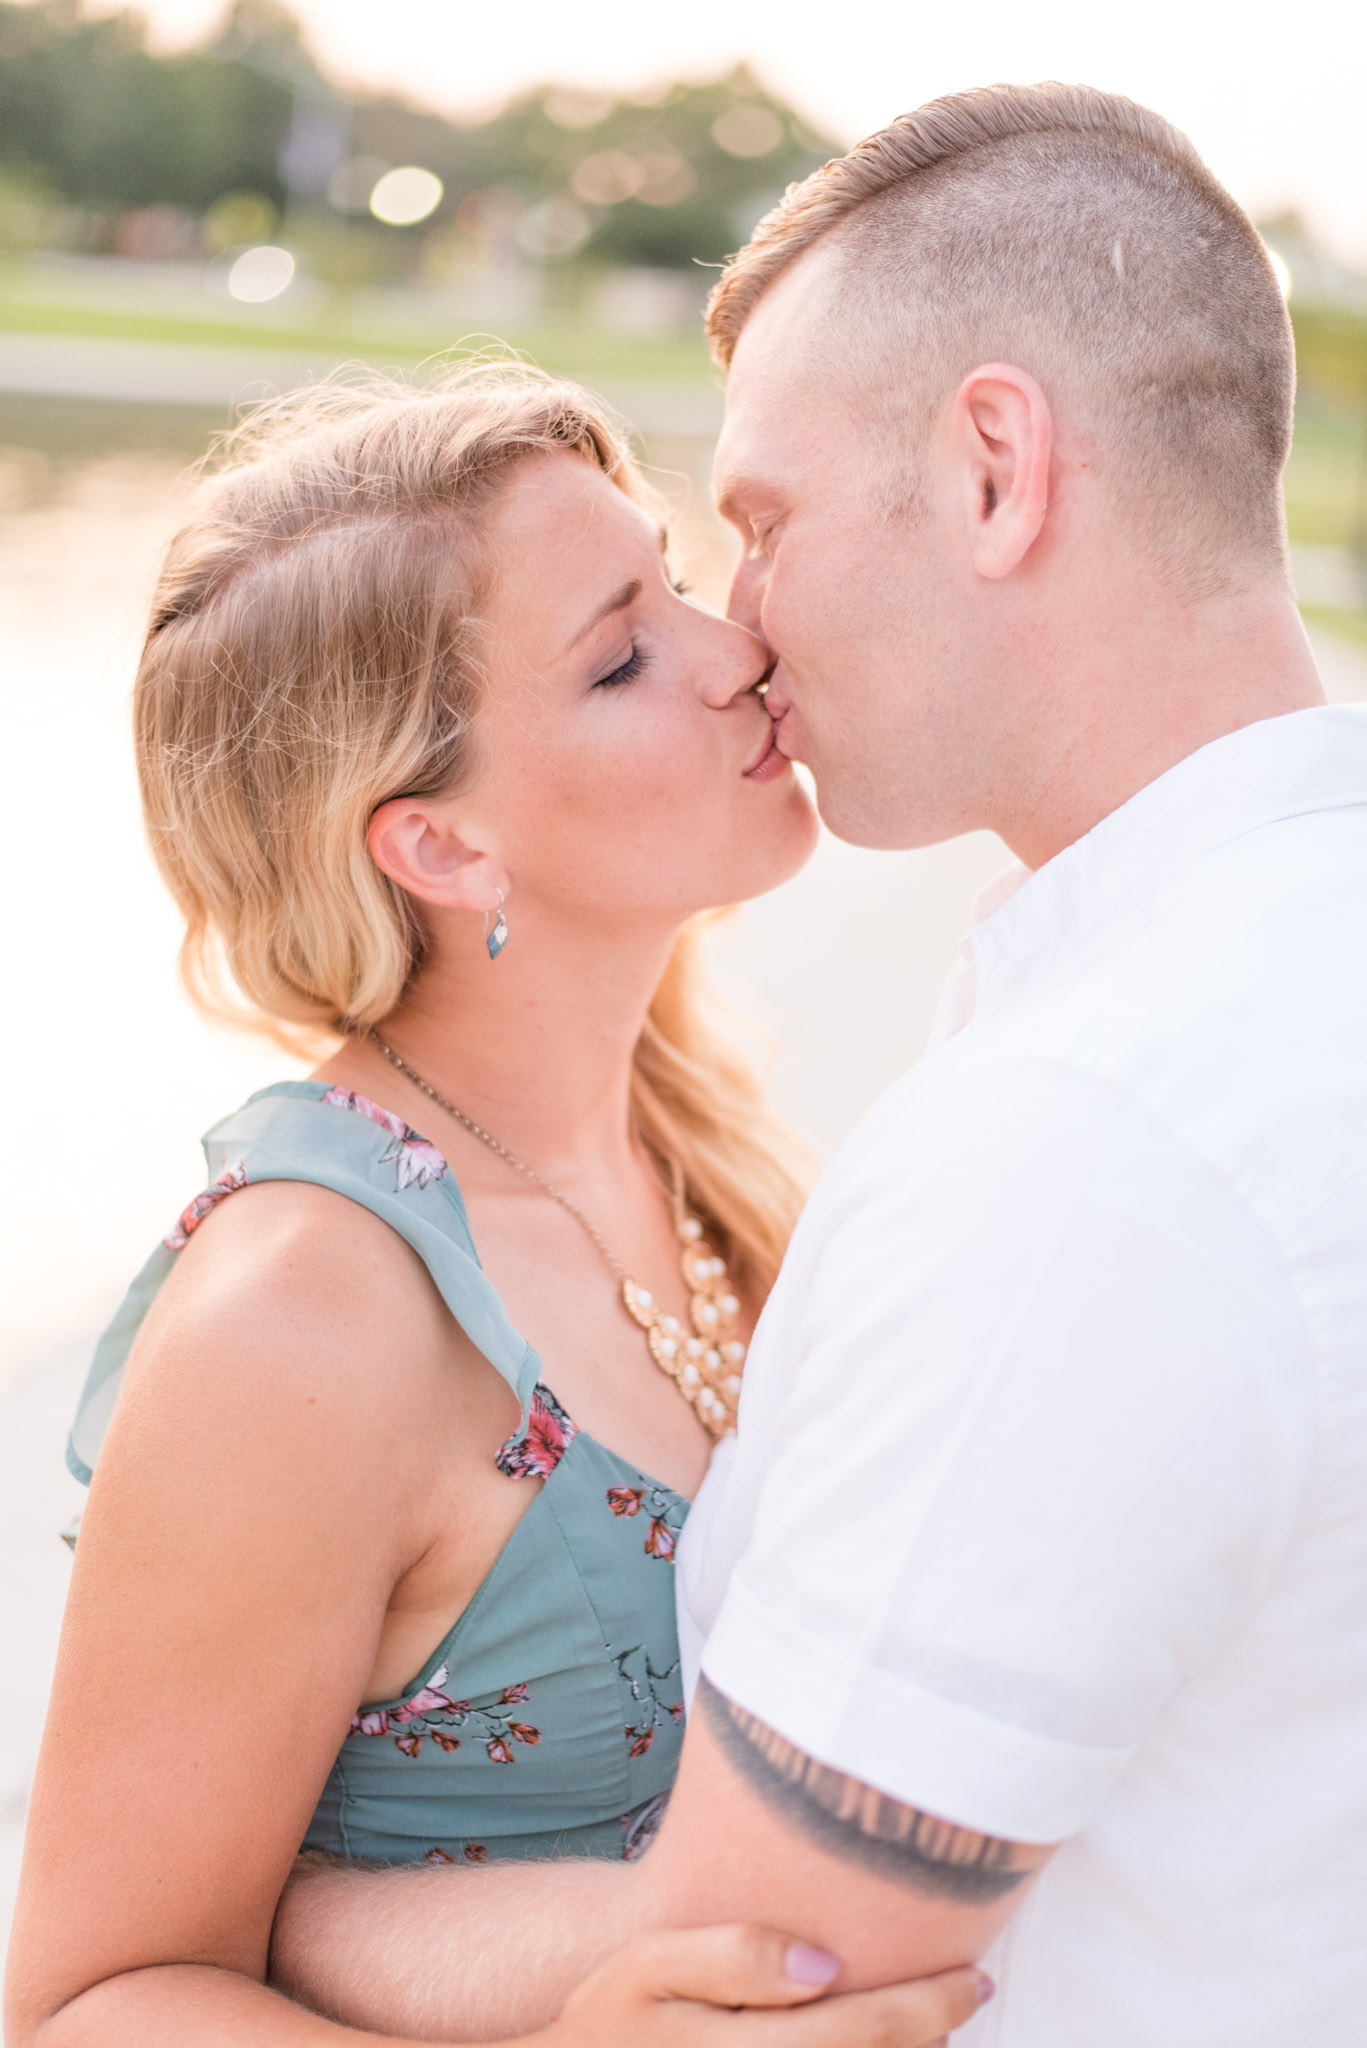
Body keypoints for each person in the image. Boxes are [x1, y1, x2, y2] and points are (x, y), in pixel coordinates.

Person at [259, 81, 1366, 2048]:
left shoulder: (1083, 1146)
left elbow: (758, 1982)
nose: (741, 626)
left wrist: (287, 1914)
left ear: (997, 470)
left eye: (758, 522)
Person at [3, 367, 988, 2048]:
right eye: (620, 656)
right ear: (443, 851)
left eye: (672, 575)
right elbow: (90, 2001)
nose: (734, 647)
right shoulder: (311, 1305)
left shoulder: (702, 1145)